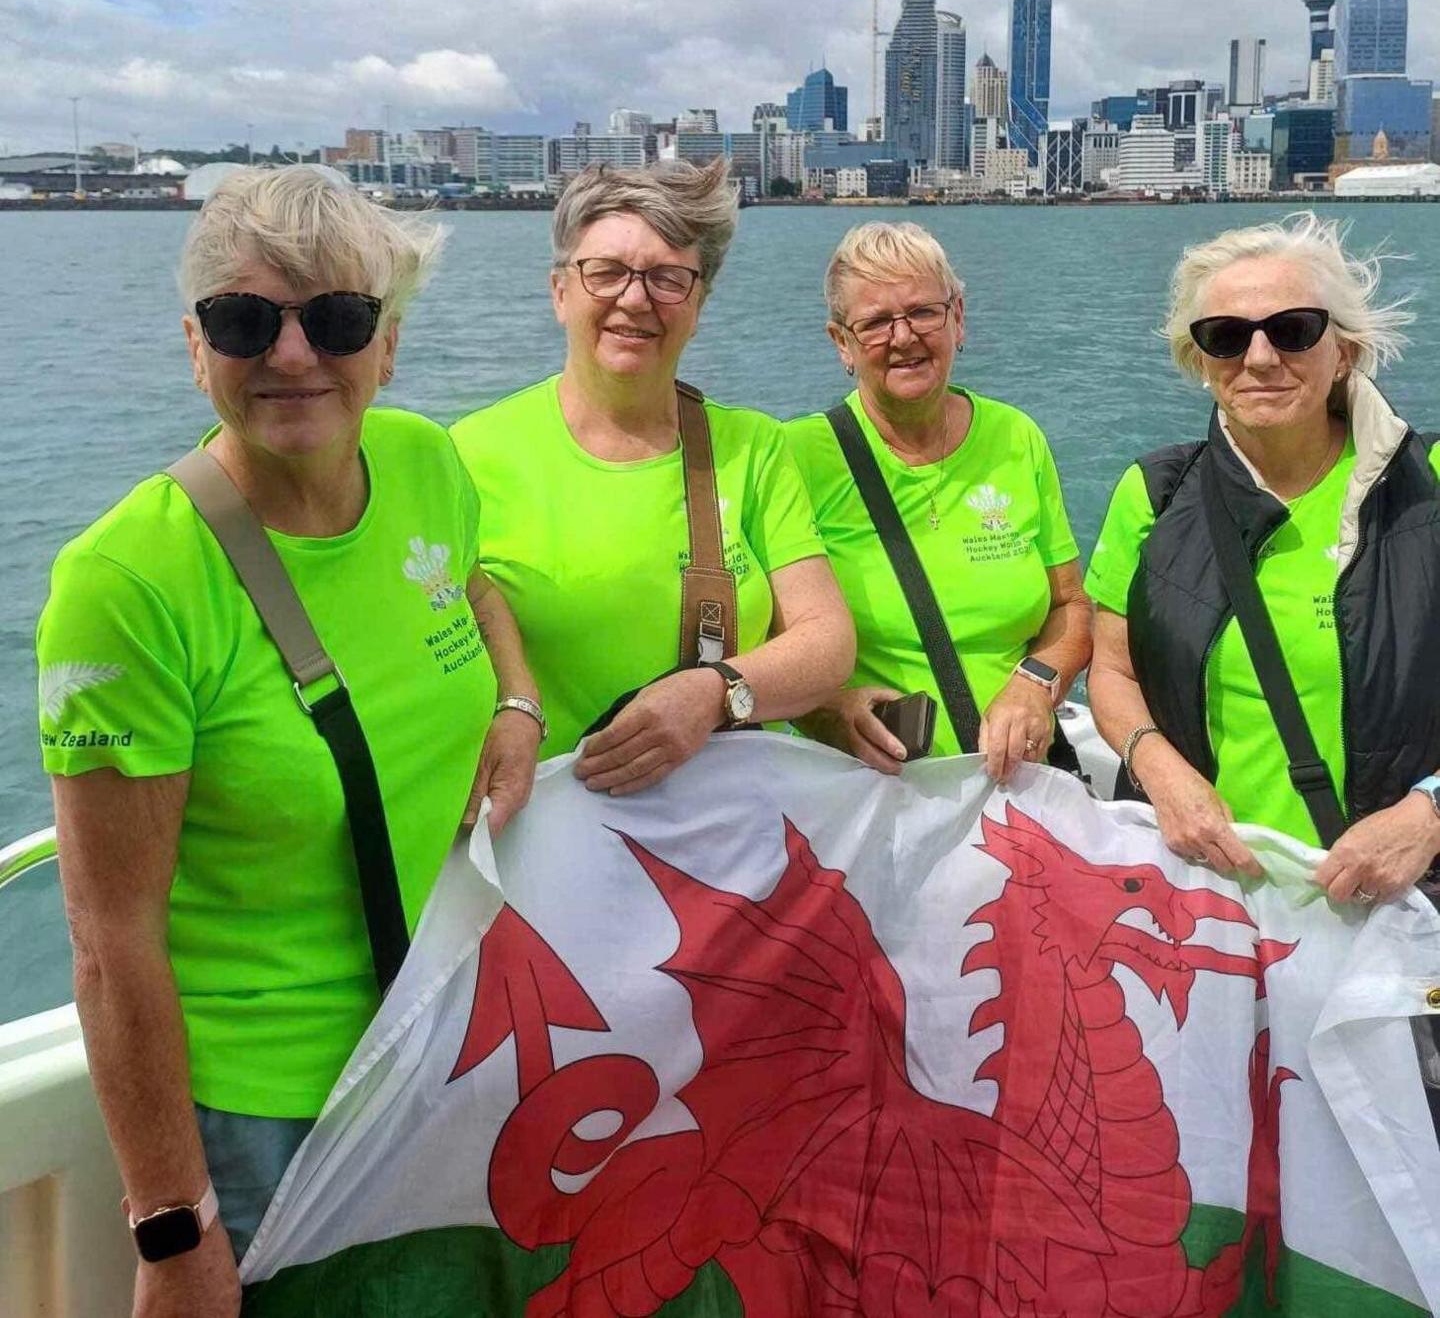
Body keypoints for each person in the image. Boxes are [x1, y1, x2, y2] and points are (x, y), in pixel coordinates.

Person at [37, 168, 542, 1316]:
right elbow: (110, 941)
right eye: (246, 320)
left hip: (441, 1056)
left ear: (390, 345)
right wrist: (175, 1228)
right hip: (271, 1126)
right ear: (196, 343)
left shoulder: (423, 462)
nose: (295, 355)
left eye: (339, 319)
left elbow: (474, 579)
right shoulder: (126, 583)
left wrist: (516, 705)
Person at [450, 158, 855, 792]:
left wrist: (715, 692)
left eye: (668, 278)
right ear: (560, 291)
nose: (634, 299)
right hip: (546, 841)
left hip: (734, 833)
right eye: (606, 272)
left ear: (699, 301)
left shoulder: (751, 446)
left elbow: (826, 641)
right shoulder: (468, 455)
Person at [1086, 213, 1440, 903]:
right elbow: (1112, 668)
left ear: (1343, 350)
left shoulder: (1429, 483)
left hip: (1401, 903)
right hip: (1207, 898)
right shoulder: (1156, 494)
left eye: (1293, 329)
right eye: (1225, 337)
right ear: (1200, 361)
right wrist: (1159, 771)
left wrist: (1429, 813)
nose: (1260, 359)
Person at [786, 221, 1092, 782]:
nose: (904, 337)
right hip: (869, 796)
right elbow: (759, 641)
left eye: (924, 312)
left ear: (958, 319)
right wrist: (831, 713)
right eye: (876, 322)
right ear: (842, 344)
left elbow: (1069, 605)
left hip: (1016, 787)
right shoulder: (796, 458)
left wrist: (1035, 684)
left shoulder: (1015, 437)